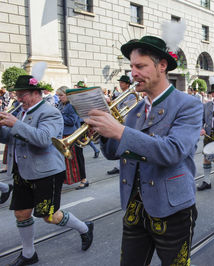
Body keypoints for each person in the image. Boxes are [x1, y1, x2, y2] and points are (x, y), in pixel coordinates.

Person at [86, 35, 203, 265]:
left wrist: (119, 131)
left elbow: (173, 151)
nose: (133, 73)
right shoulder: (135, 108)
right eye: (131, 67)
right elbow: (113, 153)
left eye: (140, 66)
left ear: (162, 66)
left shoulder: (188, 104)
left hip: (173, 208)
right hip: (134, 206)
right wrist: (101, 132)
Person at [0, 75, 93, 265]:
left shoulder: (50, 112)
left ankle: (84, 228)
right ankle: (28, 254)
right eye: (17, 94)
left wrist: (15, 124)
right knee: (21, 214)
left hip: (46, 172)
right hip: (22, 170)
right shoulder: (21, 112)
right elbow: (10, 138)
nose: (18, 98)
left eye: (22, 94)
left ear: (36, 93)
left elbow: (44, 140)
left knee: (49, 216)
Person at [56, 86, 89, 189]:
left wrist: (58, 115)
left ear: (67, 95)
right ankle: (66, 179)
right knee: (66, 160)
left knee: (78, 158)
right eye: (58, 96)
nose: (59, 98)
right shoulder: (61, 104)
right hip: (64, 135)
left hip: (73, 135)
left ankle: (84, 179)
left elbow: (71, 121)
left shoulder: (71, 105)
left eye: (61, 95)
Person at [107, 75, 137, 174]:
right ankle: (120, 165)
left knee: (124, 145)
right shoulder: (121, 94)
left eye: (122, 83)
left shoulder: (131, 95)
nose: (120, 84)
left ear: (127, 84)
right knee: (119, 145)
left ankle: (123, 166)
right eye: (120, 82)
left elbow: (129, 109)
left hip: (126, 123)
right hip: (119, 122)